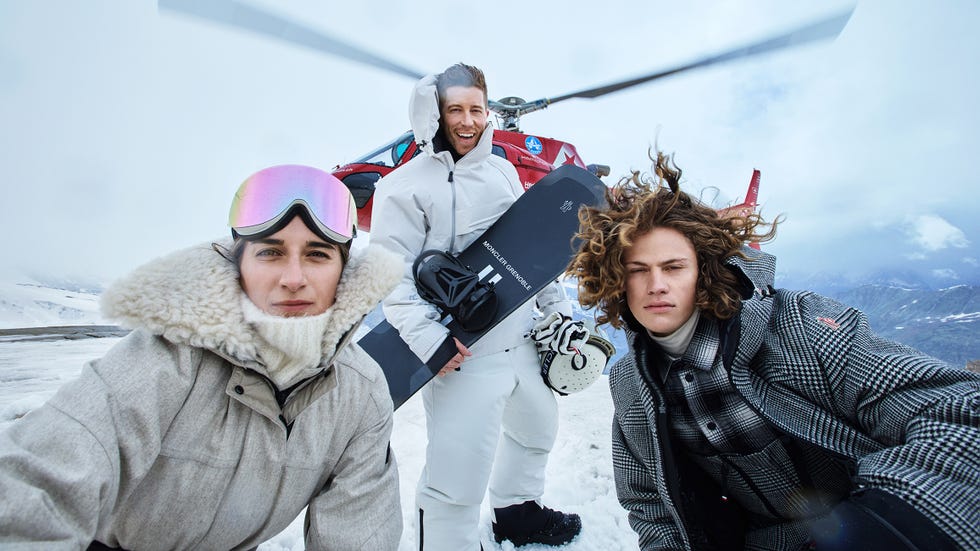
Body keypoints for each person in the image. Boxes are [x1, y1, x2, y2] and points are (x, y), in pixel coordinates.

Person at [566, 151, 980, 551]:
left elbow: (957, 409)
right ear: (617, 282)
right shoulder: (630, 383)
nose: (656, 285)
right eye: (638, 271)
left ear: (705, 272)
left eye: (674, 268)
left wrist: (890, 524)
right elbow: (649, 503)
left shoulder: (800, 325)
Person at [0, 164, 404, 550]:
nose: (293, 277)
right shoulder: (167, 358)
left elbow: (359, 532)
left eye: (317, 254)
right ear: (238, 262)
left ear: (344, 269)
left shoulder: (360, 393)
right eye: (270, 253)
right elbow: (34, 486)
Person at [370, 63, 585, 549]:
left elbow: (536, 251)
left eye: (475, 109)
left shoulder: (504, 170)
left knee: (536, 434)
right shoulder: (401, 188)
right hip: (462, 353)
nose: (467, 121)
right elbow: (392, 278)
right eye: (454, 110)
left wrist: (556, 317)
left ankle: (518, 513)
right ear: (434, 114)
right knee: (456, 475)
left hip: (522, 339)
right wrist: (430, 341)